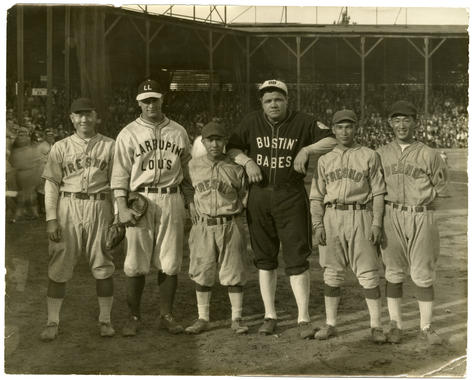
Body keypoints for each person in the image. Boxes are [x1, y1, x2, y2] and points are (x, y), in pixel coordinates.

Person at [226, 79, 337, 338]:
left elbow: (330, 139)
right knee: (265, 259)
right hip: (259, 196)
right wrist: (246, 161)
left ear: (287, 100)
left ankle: (303, 318)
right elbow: (231, 147)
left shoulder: (303, 121)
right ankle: (270, 315)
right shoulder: (251, 121)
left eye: (278, 99)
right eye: (267, 100)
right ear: (261, 104)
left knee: (297, 257)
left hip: (291, 195)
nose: (273, 104)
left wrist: (306, 149)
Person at [111, 79, 192, 336]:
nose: (150, 104)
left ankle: (166, 315)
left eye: (154, 99)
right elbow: (119, 175)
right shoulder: (128, 133)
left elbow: (189, 170)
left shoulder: (178, 131)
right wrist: (121, 207)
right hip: (139, 201)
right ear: (138, 103)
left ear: (162, 99)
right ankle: (133, 317)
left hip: (171, 198)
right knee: (135, 262)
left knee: (170, 261)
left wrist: (190, 203)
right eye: (145, 100)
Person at [40, 98, 116, 341]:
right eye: (79, 114)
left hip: (99, 204)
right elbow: (51, 184)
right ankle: (52, 321)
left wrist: (116, 218)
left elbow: (117, 185)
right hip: (68, 206)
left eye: (88, 114)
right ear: (72, 118)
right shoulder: (60, 147)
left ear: (97, 117)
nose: (84, 119)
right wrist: (51, 218)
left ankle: (105, 320)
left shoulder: (110, 146)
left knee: (103, 263)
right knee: (59, 263)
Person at [309, 109, 387, 343]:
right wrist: (317, 224)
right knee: (331, 274)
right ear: (333, 130)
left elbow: (379, 193)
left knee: (369, 274)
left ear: (356, 128)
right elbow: (316, 196)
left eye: (349, 126)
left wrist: (376, 223)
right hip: (332, 217)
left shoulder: (369, 155)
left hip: (360, 215)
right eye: (340, 127)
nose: (344, 131)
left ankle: (376, 326)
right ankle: (330, 323)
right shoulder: (324, 159)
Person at [377, 101, 448, 345]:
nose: (401, 125)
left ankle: (426, 327)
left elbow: (440, 189)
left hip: (421, 214)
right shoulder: (381, 153)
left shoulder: (429, 154)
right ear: (390, 124)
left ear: (415, 122)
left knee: (423, 273)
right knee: (393, 272)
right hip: (391, 214)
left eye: (406, 120)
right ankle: (395, 324)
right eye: (396, 120)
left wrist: (423, 211)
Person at [185, 121, 250, 335]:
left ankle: (237, 318)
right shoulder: (193, 165)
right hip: (203, 225)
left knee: (234, 272)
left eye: (218, 139)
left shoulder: (235, 167)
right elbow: (186, 186)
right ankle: (203, 317)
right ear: (203, 142)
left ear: (224, 142)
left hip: (230, 224)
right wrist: (191, 204)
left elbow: (245, 194)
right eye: (210, 140)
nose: (214, 144)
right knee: (202, 271)